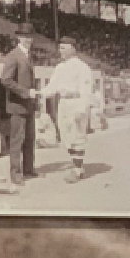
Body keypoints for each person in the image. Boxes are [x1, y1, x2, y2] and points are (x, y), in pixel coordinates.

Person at [43, 36, 96, 177]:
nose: (61, 51)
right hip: (63, 103)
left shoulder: (82, 67)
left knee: (77, 135)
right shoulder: (60, 67)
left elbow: (86, 90)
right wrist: (38, 94)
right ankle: (77, 166)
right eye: (60, 48)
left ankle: (77, 170)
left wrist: (82, 109)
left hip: (76, 102)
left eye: (64, 48)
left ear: (73, 49)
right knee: (66, 136)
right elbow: (52, 86)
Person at [0, 26, 39, 183]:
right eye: (25, 37)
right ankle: (15, 174)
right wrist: (25, 92)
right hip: (17, 105)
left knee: (30, 138)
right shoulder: (13, 56)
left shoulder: (28, 55)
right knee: (17, 140)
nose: (29, 40)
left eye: (31, 37)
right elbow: (6, 80)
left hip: (28, 105)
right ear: (19, 38)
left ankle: (28, 169)